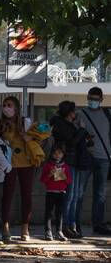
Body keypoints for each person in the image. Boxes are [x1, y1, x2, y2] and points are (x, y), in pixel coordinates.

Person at [0, 95, 46, 242]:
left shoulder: (26, 122)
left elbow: (42, 135)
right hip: (9, 164)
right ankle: (5, 226)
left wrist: (30, 137)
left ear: (17, 108)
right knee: (7, 195)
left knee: (27, 195)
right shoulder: (0, 124)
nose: (7, 108)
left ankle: (25, 227)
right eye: (5, 105)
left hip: (26, 163)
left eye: (10, 105)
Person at [52, 100, 95, 238]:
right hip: (65, 163)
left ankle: (71, 225)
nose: (75, 113)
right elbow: (71, 142)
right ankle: (64, 226)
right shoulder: (60, 125)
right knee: (67, 195)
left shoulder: (69, 125)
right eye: (74, 111)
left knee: (74, 195)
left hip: (74, 162)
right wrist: (82, 130)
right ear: (70, 113)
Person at [75, 86, 111, 235]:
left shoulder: (107, 113)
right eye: (90, 98)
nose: (92, 101)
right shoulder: (80, 114)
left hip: (104, 158)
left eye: (95, 99)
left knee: (100, 194)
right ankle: (74, 223)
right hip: (86, 158)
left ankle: (98, 224)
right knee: (79, 192)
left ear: (101, 100)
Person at [40, 144, 72, 241]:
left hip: (61, 192)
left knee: (59, 213)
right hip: (50, 192)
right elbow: (42, 180)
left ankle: (59, 231)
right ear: (52, 154)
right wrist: (50, 174)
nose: (57, 155)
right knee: (48, 212)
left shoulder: (65, 166)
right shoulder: (48, 165)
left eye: (59, 153)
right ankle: (48, 231)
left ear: (63, 154)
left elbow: (69, 181)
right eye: (55, 153)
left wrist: (63, 176)